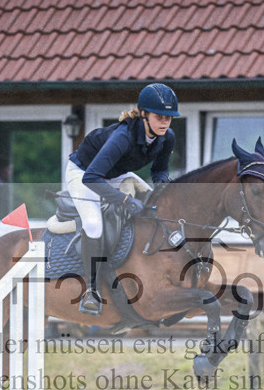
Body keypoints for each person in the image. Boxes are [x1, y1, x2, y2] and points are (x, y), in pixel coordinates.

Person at [65, 83, 179, 315]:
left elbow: (159, 171)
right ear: (144, 115)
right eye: (160, 117)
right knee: (94, 224)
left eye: (169, 117)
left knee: (157, 206)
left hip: (115, 173)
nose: (165, 122)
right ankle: (92, 291)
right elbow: (92, 178)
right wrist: (125, 201)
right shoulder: (123, 137)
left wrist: (162, 188)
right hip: (84, 173)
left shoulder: (166, 138)